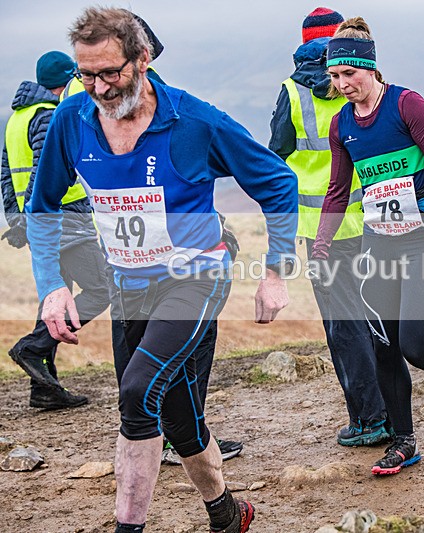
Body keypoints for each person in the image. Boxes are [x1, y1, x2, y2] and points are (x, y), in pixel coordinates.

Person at [26, 8, 297, 532]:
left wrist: (275, 271)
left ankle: (128, 528)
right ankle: (226, 512)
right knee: (173, 412)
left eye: (112, 72)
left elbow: (279, 183)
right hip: (128, 286)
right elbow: (42, 206)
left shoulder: (196, 122)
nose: (100, 87)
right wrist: (52, 285)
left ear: (142, 59)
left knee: (136, 392)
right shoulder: (71, 119)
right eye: (87, 75)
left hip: (195, 277)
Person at [57, 12, 244, 464]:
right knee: (153, 358)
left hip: (167, 255)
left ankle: (179, 432)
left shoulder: (145, 95)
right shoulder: (93, 101)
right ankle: (162, 434)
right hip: (130, 254)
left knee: (173, 349)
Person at [311, 17, 424, 476]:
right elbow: (338, 190)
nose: (342, 84)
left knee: (414, 344)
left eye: (350, 74)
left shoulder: (407, 105)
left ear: (371, 69)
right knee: (383, 344)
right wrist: (324, 240)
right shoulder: (342, 124)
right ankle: (404, 442)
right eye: (335, 76)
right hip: (379, 243)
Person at [269, 7, 389, 447]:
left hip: (322, 229)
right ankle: (390, 410)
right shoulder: (362, 77)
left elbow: (275, 156)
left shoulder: (292, 91)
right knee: (375, 315)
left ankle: (370, 419)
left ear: (303, 41)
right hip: (376, 220)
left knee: (343, 326)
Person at [1, 51, 107, 410]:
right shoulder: (49, 115)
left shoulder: (17, 119)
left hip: (41, 223)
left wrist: (16, 219)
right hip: (65, 219)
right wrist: (34, 214)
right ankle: (33, 347)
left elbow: (6, 174)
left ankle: (44, 388)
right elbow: (42, 174)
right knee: (102, 287)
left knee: (53, 298)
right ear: (67, 80)